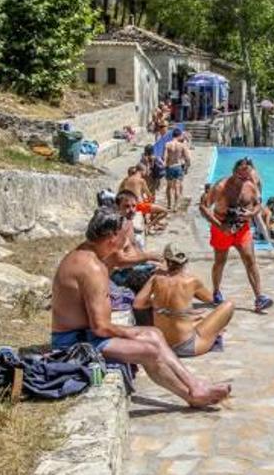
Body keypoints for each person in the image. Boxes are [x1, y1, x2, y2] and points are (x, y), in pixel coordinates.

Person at [51, 208, 230, 407]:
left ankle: (195, 385)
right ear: (112, 238)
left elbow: (119, 260)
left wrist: (150, 257)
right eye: (125, 237)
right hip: (75, 344)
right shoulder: (92, 269)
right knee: (150, 349)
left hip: (86, 334)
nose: (128, 241)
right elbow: (100, 327)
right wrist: (130, 333)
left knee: (154, 333)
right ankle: (191, 396)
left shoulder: (89, 251)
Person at [134, 243, 236, 357]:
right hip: (188, 346)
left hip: (163, 345)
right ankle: (214, 333)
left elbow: (138, 303)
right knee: (229, 305)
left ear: (166, 261)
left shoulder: (156, 278)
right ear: (185, 262)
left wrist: (157, 305)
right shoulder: (191, 281)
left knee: (189, 318)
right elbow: (209, 299)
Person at [200, 157, 273, 312]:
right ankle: (216, 291)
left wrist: (251, 213)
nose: (245, 179)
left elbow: (258, 204)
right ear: (234, 172)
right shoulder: (220, 187)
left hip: (242, 228)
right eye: (241, 176)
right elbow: (204, 207)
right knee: (220, 261)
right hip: (221, 227)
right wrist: (219, 226)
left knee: (250, 260)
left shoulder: (251, 186)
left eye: (247, 176)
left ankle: (259, 298)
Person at [118, 165, 168, 234]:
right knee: (164, 211)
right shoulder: (141, 181)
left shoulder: (126, 180)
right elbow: (149, 195)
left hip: (129, 204)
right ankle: (149, 226)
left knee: (149, 205)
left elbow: (121, 192)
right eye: (145, 171)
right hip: (139, 206)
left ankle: (152, 223)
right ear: (141, 171)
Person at [164, 129, 192, 212]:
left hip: (169, 167)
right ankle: (175, 206)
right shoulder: (182, 145)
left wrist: (165, 165)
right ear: (179, 136)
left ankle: (169, 204)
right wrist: (187, 166)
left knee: (168, 187)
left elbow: (164, 157)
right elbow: (187, 158)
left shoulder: (167, 144)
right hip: (178, 166)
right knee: (176, 187)